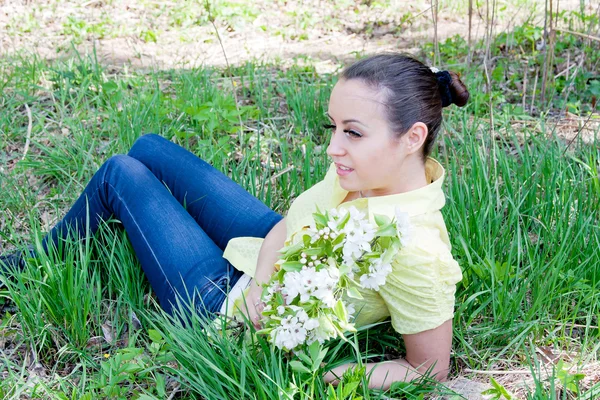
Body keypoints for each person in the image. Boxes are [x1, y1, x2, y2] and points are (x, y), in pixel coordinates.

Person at [1, 53, 469, 390]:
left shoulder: (416, 249)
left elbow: (429, 367)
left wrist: (325, 374)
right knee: (148, 148)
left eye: (353, 132)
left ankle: (17, 272)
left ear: (412, 137)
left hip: (225, 310)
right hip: (265, 256)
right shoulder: (365, 169)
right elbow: (293, 221)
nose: (333, 148)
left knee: (121, 175)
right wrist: (265, 279)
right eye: (333, 127)